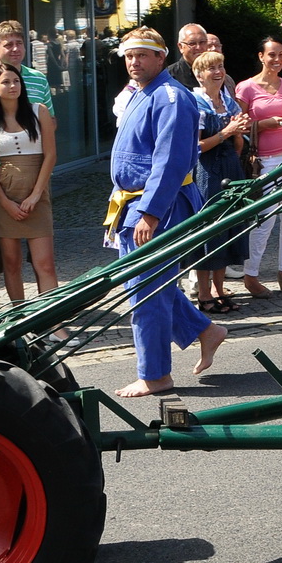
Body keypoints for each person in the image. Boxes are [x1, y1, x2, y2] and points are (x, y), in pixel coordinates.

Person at [105, 28, 226, 397]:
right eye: (128, 56)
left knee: (146, 292)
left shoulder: (171, 97)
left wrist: (150, 213)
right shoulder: (141, 94)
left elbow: (170, 161)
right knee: (146, 283)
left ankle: (155, 374)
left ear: (161, 58)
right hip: (133, 203)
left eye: (142, 55)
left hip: (160, 205)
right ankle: (205, 330)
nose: (134, 62)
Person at [0, 21, 55, 312]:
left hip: (36, 180)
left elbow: (51, 125)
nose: (15, 49)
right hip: (0, 179)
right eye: (8, 44)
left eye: (19, 43)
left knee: (43, 259)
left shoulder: (38, 80)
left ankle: (47, 315)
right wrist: (2, 126)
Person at [0, 63, 60, 306]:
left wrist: (36, 195)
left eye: (16, 81)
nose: (12, 86)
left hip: (36, 192)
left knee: (44, 263)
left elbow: (51, 155)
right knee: (10, 263)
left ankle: (54, 324)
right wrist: (5, 202)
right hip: (5, 194)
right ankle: (19, 319)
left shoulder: (39, 111)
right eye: (5, 82)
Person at [236, 35, 282, 295]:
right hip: (266, 159)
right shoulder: (246, 88)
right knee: (264, 218)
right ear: (261, 57)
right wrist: (263, 124)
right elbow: (238, 125)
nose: (277, 60)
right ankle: (250, 275)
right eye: (272, 55)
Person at [190, 50, 249, 314]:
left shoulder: (228, 101)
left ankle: (219, 289)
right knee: (209, 229)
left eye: (220, 66)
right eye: (211, 68)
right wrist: (227, 132)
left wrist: (240, 132)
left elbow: (239, 142)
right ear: (199, 74)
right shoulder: (196, 103)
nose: (218, 72)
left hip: (230, 167)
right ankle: (204, 295)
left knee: (228, 228)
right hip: (207, 172)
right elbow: (196, 147)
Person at [167, 23, 209, 89]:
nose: (198, 47)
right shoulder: (169, 76)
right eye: (192, 43)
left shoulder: (216, 73)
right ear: (181, 47)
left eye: (202, 42)